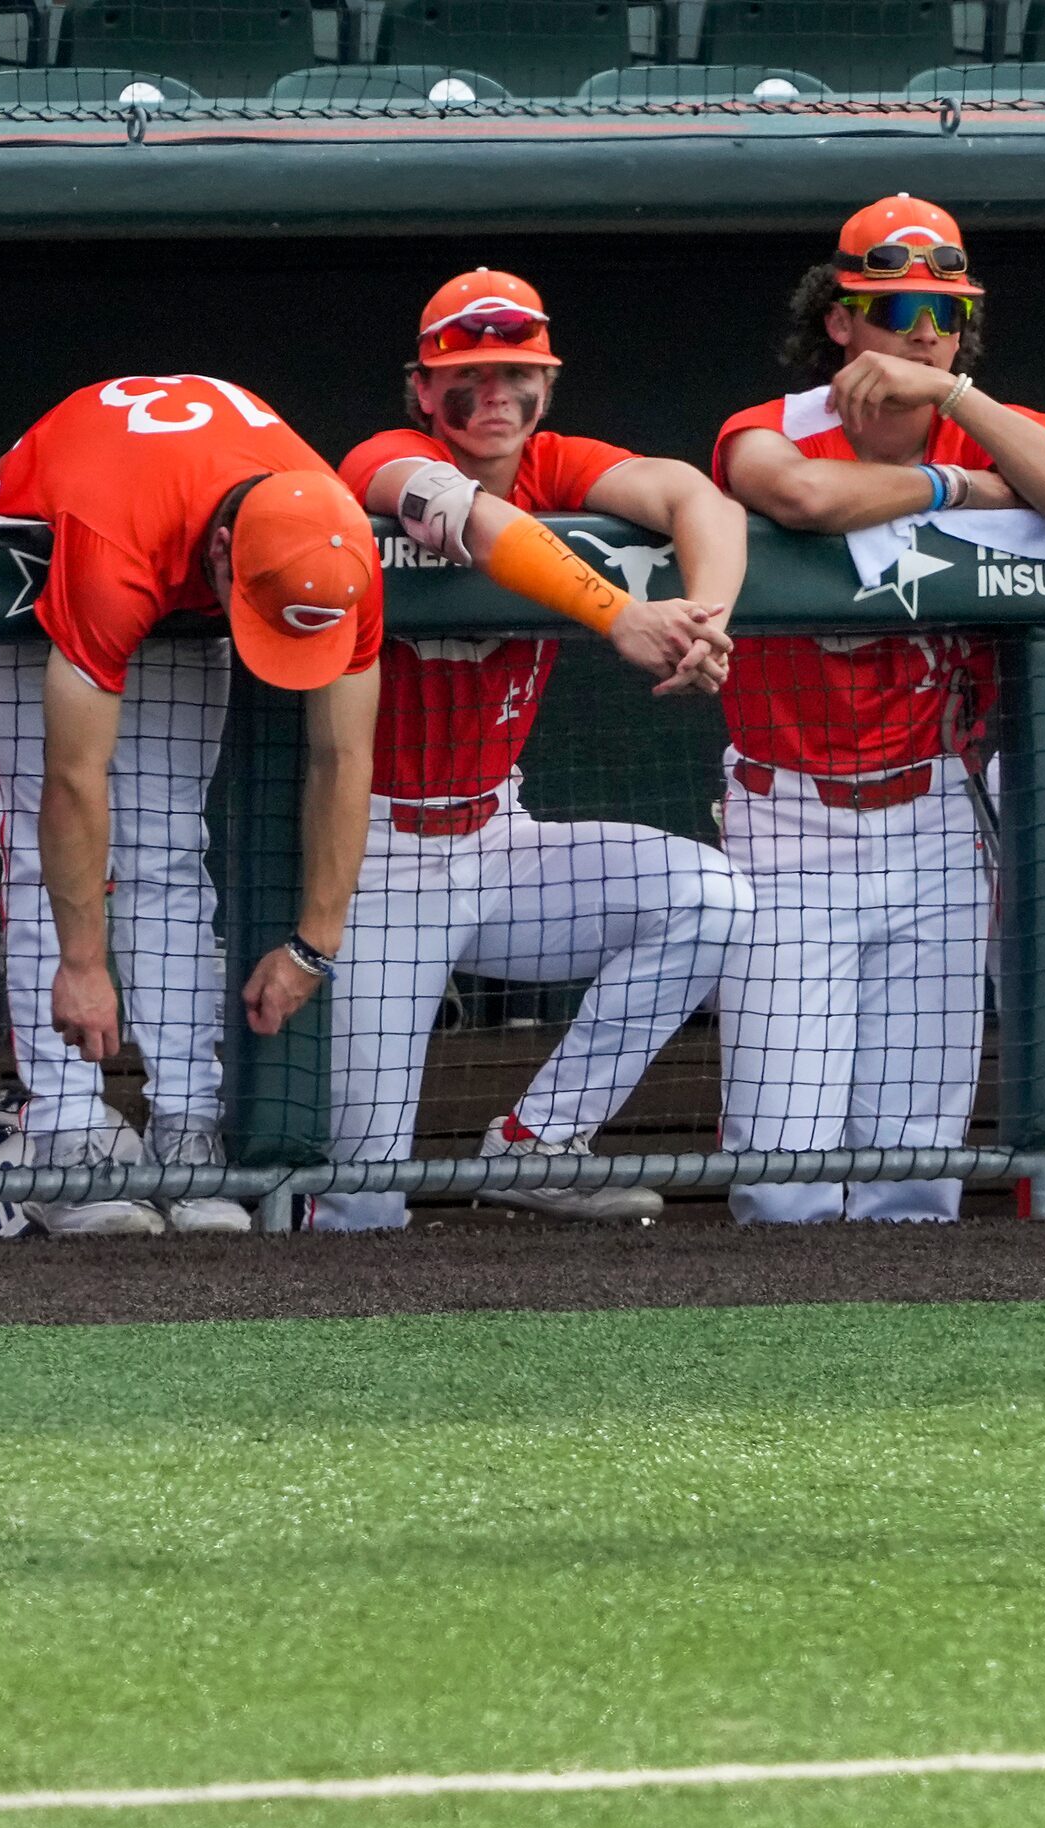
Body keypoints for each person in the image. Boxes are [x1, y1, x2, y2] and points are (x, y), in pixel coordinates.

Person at [711, 195, 1045, 1225]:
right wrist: (960, 488)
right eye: (894, 311)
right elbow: (799, 498)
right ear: (839, 320)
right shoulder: (771, 426)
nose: (923, 330)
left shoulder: (998, 425)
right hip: (787, 819)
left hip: (934, 817)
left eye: (944, 311)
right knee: (781, 1174)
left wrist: (956, 400)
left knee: (914, 1173)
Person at [315, 268, 749, 1228]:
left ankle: (538, 1141)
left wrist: (703, 623)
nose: (497, 395)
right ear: (423, 388)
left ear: (547, 383)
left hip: (495, 838)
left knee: (708, 898)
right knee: (361, 1200)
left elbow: (697, 498)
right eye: (467, 374)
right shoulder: (385, 456)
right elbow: (462, 515)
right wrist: (620, 614)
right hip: (374, 858)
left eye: (519, 372)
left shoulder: (558, 464)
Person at [0, 375, 383, 1234]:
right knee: (53, 853)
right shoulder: (112, 545)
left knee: (167, 847)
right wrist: (85, 967)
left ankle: (187, 1132)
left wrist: (315, 944)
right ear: (225, 552)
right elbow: (72, 781)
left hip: (176, 519)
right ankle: (66, 1139)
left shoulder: (342, 547)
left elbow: (344, 755)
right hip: (40, 534)